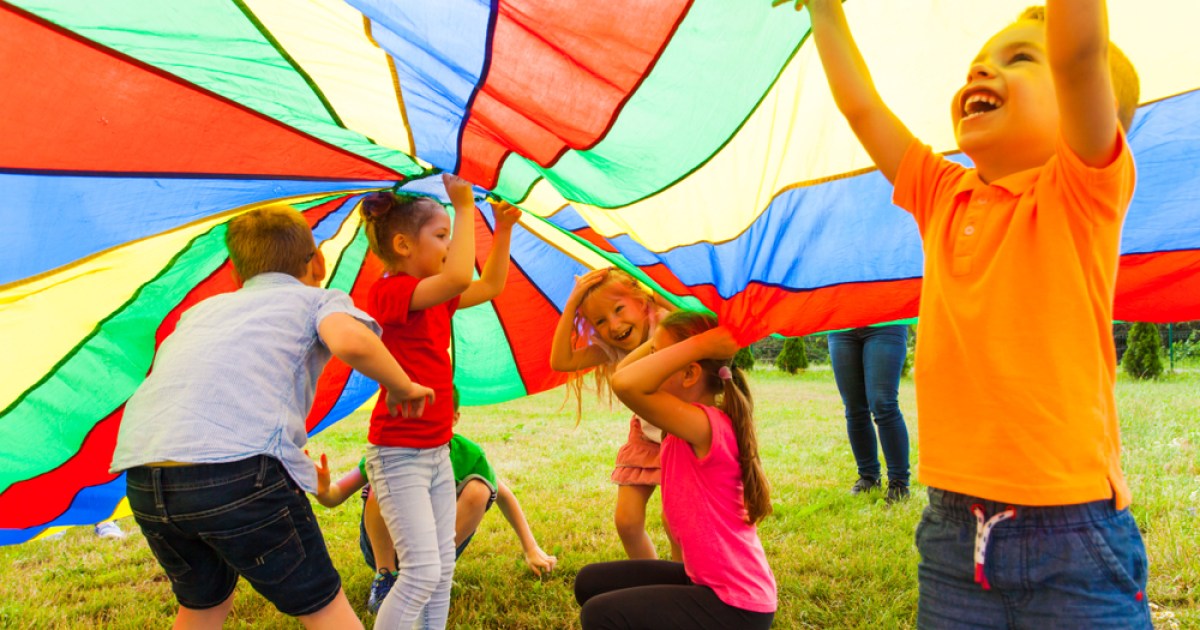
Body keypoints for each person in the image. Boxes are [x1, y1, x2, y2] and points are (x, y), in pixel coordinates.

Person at [796, 0, 1149, 625]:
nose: (981, 73)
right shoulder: (943, 197)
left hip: (1074, 536)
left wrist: (1069, 54)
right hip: (955, 535)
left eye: (1018, 59)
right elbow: (864, 109)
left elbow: (1078, 51)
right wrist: (825, 10)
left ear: (1084, 106)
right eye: (976, 64)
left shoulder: (1081, 191)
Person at [109, 205, 433, 630]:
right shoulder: (317, 298)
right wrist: (402, 385)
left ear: (237, 276)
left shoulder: (200, 311)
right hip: (237, 471)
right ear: (317, 262)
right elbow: (351, 341)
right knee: (322, 607)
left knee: (202, 606)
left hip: (147, 476)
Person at [359, 175, 521, 628]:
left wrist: (503, 231)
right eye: (441, 234)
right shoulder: (391, 292)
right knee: (421, 572)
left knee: (442, 566)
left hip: (435, 449)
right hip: (398, 453)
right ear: (403, 245)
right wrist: (465, 207)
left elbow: (487, 286)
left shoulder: (437, 297)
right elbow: (458, 277)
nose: (450, 243)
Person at [575, 311, 776, 629]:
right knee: (589, 582)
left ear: (689, 374)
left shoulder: (706, 425)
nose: (650, 363)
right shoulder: (686, 419)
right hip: (703, 581)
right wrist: (668, 339)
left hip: (736, 607)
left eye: (659, 356)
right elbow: (626, 371)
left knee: (601, 615)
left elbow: (624, 383)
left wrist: (700, 344)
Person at [310, 390, 557, 614]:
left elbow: (503, 494)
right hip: (387, 547)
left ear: (454, 419)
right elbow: (336, 495)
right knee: (380, 483)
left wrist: (531, 548)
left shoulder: (468, 455)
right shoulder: (390, 451)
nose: (426, 426)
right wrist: (322, 490)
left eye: (436, 417)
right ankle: (385, 578)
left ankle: (430, 577)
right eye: (418, 417)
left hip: (437, 549)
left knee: (480, 489)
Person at [550, 267, 679, 561]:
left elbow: (697, 317)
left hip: (682, 436)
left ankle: (681, 586)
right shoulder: (611, 348)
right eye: (601, 321)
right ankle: (651, 582)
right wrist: (572, 303)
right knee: (627, 522)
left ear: (642, 300)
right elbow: (560, 361)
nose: (614, 325)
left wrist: (654, 290)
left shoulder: (668, 323)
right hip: (646, 436)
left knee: (676, 525)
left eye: (619, 309)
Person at [827, 325, 910, 502]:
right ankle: (868, 477)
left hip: (885, 322)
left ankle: (899, 483)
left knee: (883, 403)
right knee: (854, 407)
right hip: (842, 325)